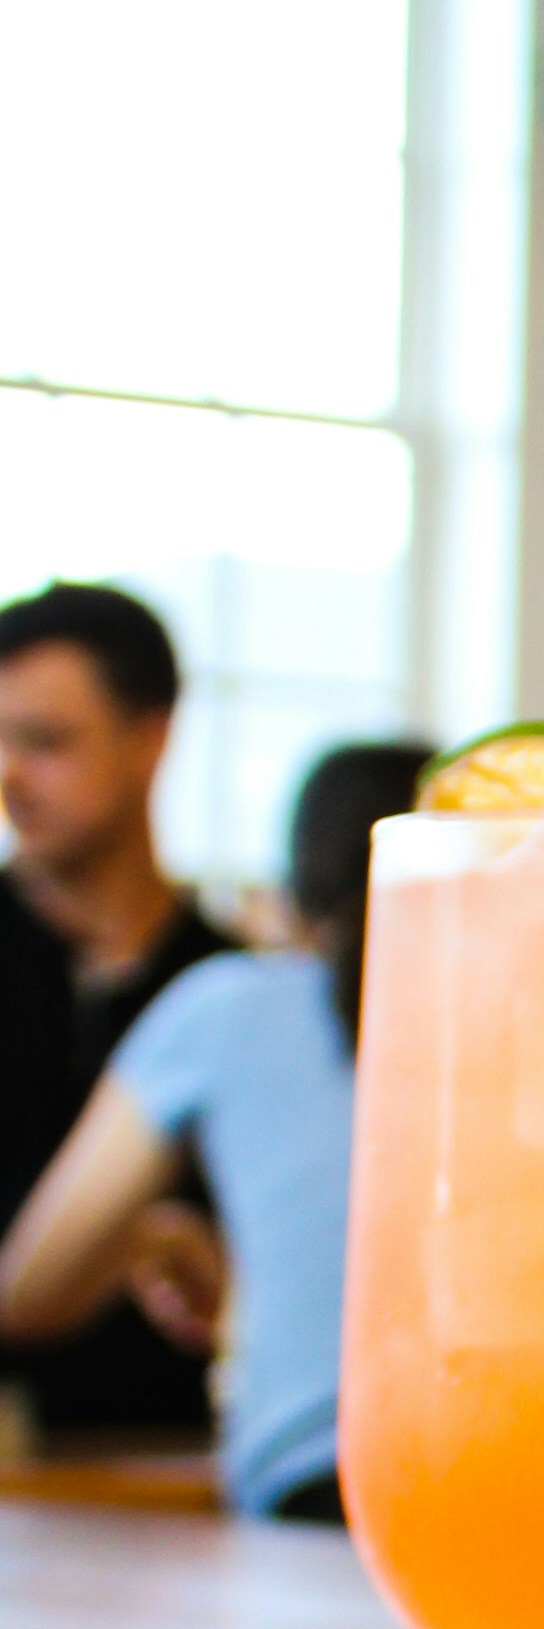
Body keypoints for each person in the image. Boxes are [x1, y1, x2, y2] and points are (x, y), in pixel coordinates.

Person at [0, 740, 424, 1521]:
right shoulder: (526, 1029)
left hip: (315, 1489)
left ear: (291, 896)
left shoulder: (230, 1005)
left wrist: (143, 1238)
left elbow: (26, 1289)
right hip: (516, 1485)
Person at [0, 582, 235, 1443]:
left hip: (183, 1467)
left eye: (45, 742)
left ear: (151, 739)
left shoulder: (230, 987)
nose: (8, 777)